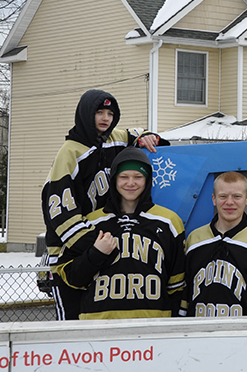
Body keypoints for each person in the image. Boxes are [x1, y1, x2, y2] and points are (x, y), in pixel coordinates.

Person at [42, 88, 163, 320]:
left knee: (97, 319)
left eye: (110, 113)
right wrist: (95, 244)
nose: (105, 118)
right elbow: (58, 209)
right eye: (99, 112)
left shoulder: (114, 138)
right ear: (86, 113)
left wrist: (147, 136)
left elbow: (137, 134)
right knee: (71, 324)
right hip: (71, 252)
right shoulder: (69, 153)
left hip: (104, 246)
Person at [58, 148, 185, 319]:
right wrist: (95, 255)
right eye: (124, 177)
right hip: (99, 322)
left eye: (138, 177)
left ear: (147, 180)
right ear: (114, 179)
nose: (131, 183)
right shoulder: (92, 222)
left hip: (153, 322)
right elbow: (70, 278)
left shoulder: (169, 221)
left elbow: (176, 285)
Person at [180, 172, 247, 317]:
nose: (229, 202)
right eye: (223, 196)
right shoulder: (194, 239)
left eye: (237, 196)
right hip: (199, 329)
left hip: (243, 330)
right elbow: (184, 301)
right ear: (214, 199)